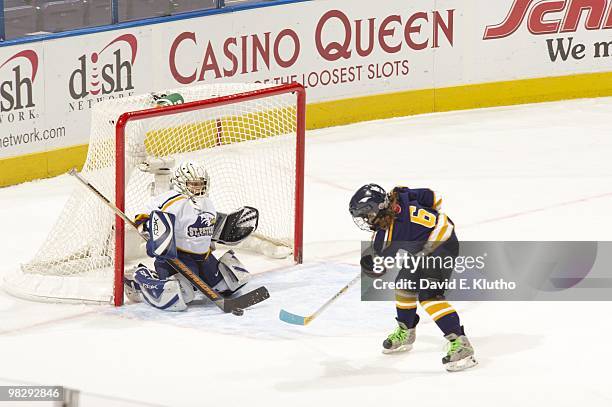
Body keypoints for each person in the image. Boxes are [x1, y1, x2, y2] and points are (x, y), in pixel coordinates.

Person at [349, 184, 477, 372]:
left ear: (378, 209)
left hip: (442, 247)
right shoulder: (402, 195)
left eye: (367, 215)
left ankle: (461, 344)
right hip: (432, 242)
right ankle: (406, 331)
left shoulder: (389, 234)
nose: (366, 221)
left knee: (429, 296)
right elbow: (435, 198)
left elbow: (380, 267)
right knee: (404, 285)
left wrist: (371, 265)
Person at [124, 161, 251, 311]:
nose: (199, 187)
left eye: (201, 183)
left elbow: (209, 226)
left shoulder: (206, 202)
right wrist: (153, 234)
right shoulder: (171, 201)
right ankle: (137, 278)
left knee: (230, 284)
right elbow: (145, 217)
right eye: (194, 184)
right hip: (177, 258)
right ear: (181, 182)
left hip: (204, 258)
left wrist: (227, 230)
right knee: (182, 294)